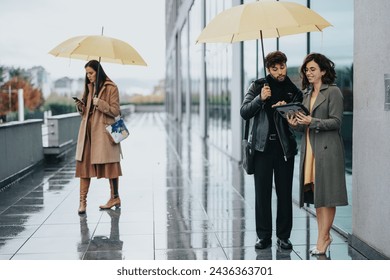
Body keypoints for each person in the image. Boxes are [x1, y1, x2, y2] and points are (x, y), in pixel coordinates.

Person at [287, 53, 348, 255]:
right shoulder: (305, 95)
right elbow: (303, 127)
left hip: (328, 151)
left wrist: (311, 121)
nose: (308, 72)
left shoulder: (333, 92)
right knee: (318, 195)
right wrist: (294, 124)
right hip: (310, 150)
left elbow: (337, 122)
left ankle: (323, 238)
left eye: (312, 69)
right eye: (306, 69)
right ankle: (323, 236)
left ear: (323, 70)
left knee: (328, 196)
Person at [240, 51, 303, 250]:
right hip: (261, 149)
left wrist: (288, 111)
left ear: (285, 65)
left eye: (282, 67)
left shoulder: (293, 90)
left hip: (284, 148)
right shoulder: (258, 85)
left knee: (284, 194)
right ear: (268, 69)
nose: (279, 72)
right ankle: (263, 236)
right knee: (262, 194)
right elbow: (244, 112)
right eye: (274, 69)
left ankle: (284, 236)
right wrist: (260, 98)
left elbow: (299, 119)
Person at [74, 60, 123, 215]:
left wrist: (100, 103)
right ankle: (82, 202)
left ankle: (114, 197)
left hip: (104, 133)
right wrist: (81, 107)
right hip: (87, 133)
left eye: (91, 73)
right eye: (87, 73)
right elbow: (86, 112)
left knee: (111, 166)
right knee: (83, 167)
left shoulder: (111, 87)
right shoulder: (89, 88)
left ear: (98, 71)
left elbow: (115, 111)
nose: (88, 76)